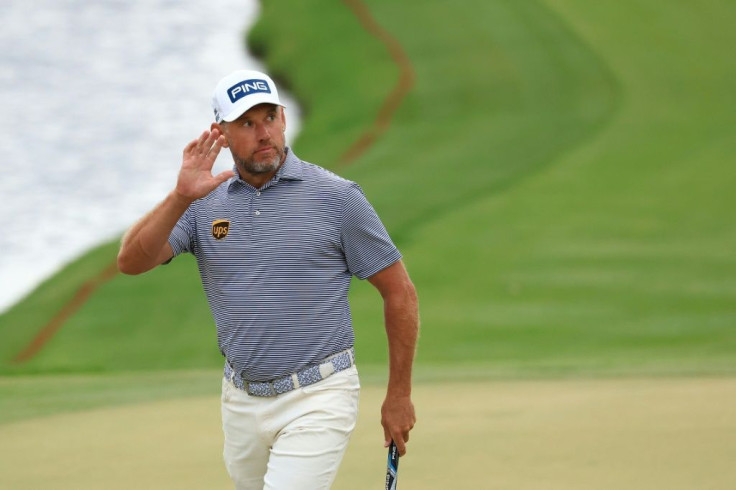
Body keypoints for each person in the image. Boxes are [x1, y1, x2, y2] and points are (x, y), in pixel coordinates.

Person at [117, 69, 419, 489]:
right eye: (246, 123)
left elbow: (399, 292)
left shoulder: (338, 198)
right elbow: (132, 262)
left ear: (283, 118)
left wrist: (399, 394)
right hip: (240, 400)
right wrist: (180, 197)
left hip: (319, 394)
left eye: (270, 118)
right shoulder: (203, 204)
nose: (264, 133)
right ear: (221, 133)